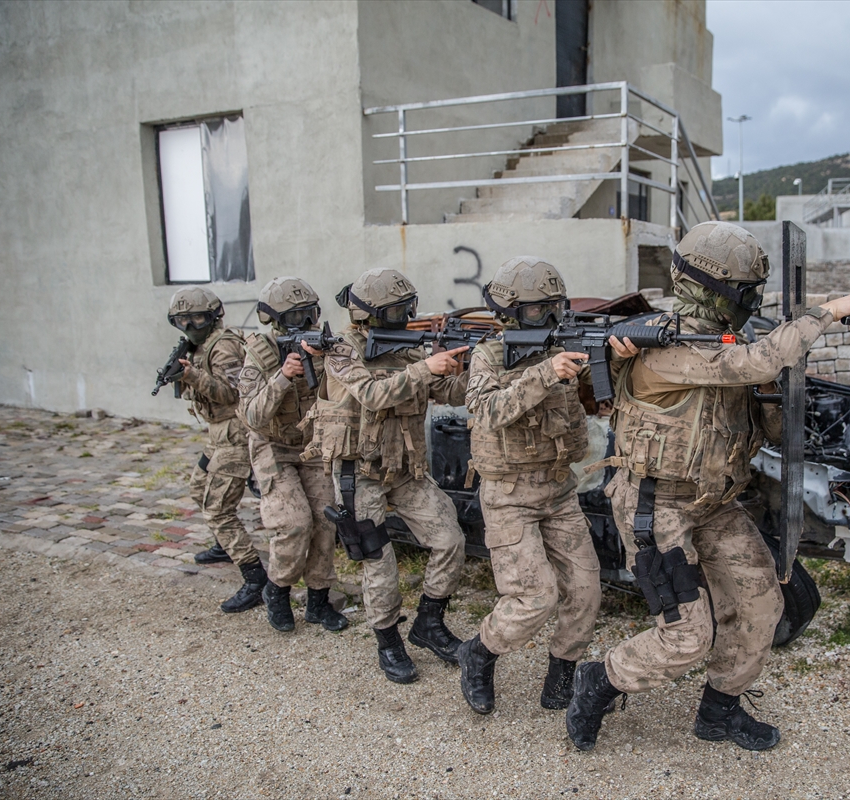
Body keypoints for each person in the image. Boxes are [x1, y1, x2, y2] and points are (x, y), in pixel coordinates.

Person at [565, 221, 850, 752]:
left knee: (761, 605)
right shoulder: (659, 344)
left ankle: (719, 712)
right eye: (743, 292)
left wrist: (769, 393)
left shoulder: (722, 344)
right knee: (687, 637)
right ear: (714, 289)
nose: (749, 302)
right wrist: (829, 311)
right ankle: (599, 681)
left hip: (715, 501)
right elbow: (754, 360)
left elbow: (771, 425)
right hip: (655, 504)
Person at [303, 268, 470, 682]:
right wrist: (425, 367)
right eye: (395, 310)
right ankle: (387, 638)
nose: (404, 315)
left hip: (404, 469)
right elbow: (373, 395)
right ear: (368, 315)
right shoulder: (340, 350)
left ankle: (429, 622)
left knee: (450, 539)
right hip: (358, 474)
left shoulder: (406, 347)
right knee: (379, 562)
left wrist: (464, 369)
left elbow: (447, 393)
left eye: (406, 307)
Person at [457, 256, 602, 715]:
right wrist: (544, 373)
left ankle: (560, 676)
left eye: (556, 306)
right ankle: (478, 653)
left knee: (585, 589)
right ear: (512, 311)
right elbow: (486, 410)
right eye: (541, 310)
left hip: (558, 488)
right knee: (535, 597)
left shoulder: (562, 346)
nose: (552, 318)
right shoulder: (490, 354)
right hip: (509, 494)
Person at [238, 277, 347, 634]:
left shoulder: (321, 346)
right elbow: (252, 416)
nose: (306, 323)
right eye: (295, 317)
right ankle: (278, 590)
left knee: (325, 519)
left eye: (309, 315)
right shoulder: (261, 353)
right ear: (276, 321)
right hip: (273, 445)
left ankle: (318, 600)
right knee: (293, 522)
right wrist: (282, 377)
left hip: (310, 443)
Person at [166, 286, 263, 613]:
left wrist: (191, 375)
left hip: (235, 432)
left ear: (213, 316)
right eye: (182, 319)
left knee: (218, 508)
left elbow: (233, 393)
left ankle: (255, 578)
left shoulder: (223, 348)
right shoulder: (197, 346)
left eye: (197, 318)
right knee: (198, 486)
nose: (190, 325)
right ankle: (225, 545)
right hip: (217, 433)